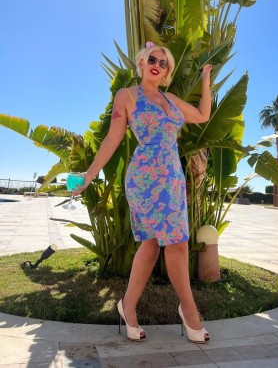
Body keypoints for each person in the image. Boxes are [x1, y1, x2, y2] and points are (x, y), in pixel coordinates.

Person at [73, 43, 212, 343]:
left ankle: (127, 305)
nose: (157, 65)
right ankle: (189, 312)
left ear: (167, 71)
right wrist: (89, 174)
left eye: (163, 63)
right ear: (141, 63)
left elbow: (202, 115)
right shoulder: (127, 95)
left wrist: (205, 79)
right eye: (152, 59)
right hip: (145, 178)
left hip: (172, 179)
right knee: (172, 242)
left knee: (158, 244)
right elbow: (113, 138)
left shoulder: (171, 99)